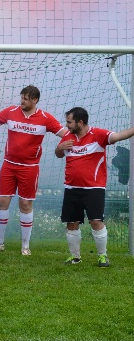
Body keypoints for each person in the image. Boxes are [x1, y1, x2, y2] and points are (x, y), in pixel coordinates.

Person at [0, 85, 67, 256]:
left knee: (25, 204)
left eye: (26, 99)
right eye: (22, 98)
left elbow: (65, 134)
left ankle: (25, 246)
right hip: (8, 165)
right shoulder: (11, 112)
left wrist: (78, 140)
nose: (22, 101)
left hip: (29, 168)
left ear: (35, 100)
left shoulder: (46, 118)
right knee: (2, 202)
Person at [55, 107, 134, 267]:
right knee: (71, 223)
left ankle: (102, 256)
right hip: (71, 188)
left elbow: (118, 136)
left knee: (96, 221)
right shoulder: (67, 136)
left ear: (80, 122)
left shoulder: (98, 134)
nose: (66, 125)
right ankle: (75, 257)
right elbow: (59, 154)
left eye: (69, 122)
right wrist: (60, 148)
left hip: (94, 189)